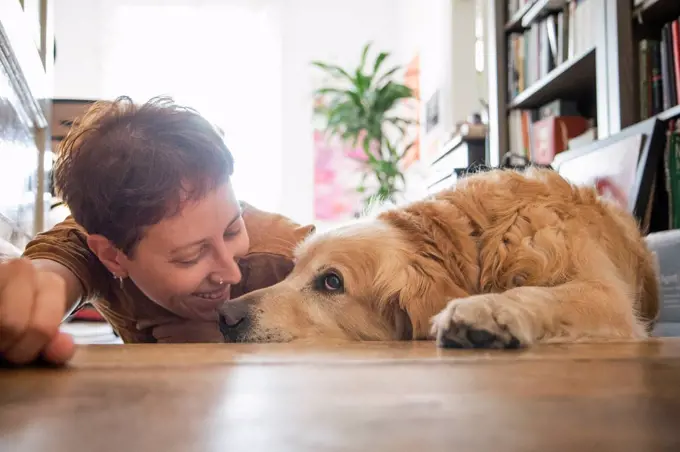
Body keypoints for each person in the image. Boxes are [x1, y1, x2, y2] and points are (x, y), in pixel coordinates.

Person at [0, 96, 315, 366]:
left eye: (233, 230)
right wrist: (27, 306)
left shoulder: (285, 256)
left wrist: (231, 343)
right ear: (113, 256)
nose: (230, 273)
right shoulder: (104, 235)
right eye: (191, 256)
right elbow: (55, 268)